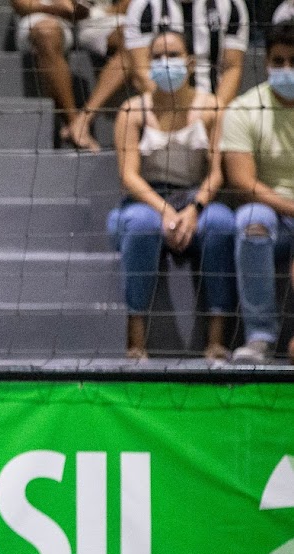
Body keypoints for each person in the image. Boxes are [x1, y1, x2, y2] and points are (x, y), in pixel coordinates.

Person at [107, 31, 235, 360]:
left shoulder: (211, 108)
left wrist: (193, 209)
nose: (167, 63)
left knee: (221, 223)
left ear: (190, 63)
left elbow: (217, 173)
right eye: (159, 57)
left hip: (196, 199)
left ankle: (217, 341)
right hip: (143, 202)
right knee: (140, 226)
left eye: (174, 55)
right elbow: (129, 177)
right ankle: (135, 342)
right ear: (148, 65)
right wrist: (165, 210)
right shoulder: (132, 110)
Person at [221, 22, 294, 363]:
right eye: (278, 61)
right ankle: (260, 337)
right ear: (265, 62)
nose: (286, 70)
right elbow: (243, 182)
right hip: (274, 214)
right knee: (251, 219)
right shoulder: (244, 109)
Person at [11, 0, 132, 151]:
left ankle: (83, 120)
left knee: (133, 36)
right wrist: (56, 8)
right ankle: (73, 123)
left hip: (95, 16)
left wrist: (104, 11)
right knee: (46, 32)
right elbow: (20, 4)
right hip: (45, 11)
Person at [123, 0, 249, 107]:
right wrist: (176, 114)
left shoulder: (231, 4)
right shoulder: (144, 5)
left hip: (212, 105)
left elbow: (232, 67)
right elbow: (141, 71)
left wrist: (214, 112)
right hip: (160, 110)